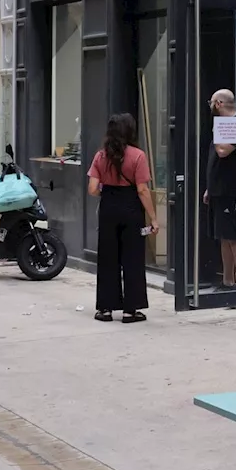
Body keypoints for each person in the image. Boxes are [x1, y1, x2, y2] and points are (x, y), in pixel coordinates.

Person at [87, 113, 159, 323]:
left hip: (108, 207)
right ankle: (130, 310)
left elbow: (92, 189)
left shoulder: (101, 156)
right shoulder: (138, 156)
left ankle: (105, 309)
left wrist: (108, 194)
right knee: (133, 258)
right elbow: (143, 190)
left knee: (108, 257)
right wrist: (153, 218)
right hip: (131, 208)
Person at [202, 89, 236, 290]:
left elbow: (223, 151)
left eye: (211, 102)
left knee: (234, 236)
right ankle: (227, 280)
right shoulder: (223, 125)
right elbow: (216, 160)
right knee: (223, 236)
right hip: (219, 189)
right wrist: (210, 187)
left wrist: (217, 134)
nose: (210, 106)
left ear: (219, 103)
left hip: (234, 190)